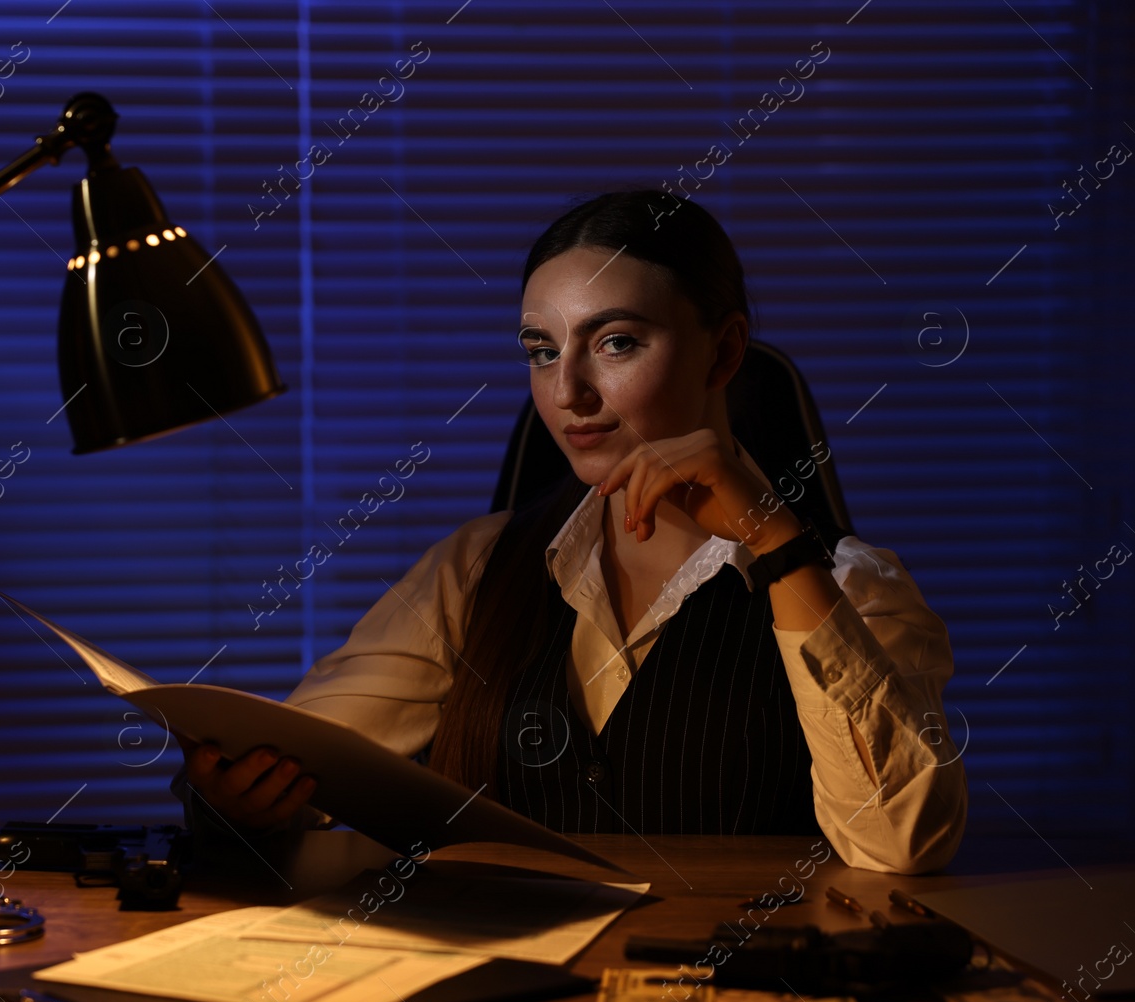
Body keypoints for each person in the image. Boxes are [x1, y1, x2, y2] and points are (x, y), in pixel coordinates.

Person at [176, 189, 967, 875]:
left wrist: (777, 543)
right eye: (542, 351)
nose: (567, 393)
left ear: (723, 352)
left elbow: (901, 844)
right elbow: (300, 765)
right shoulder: (475, 565)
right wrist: (240, 794)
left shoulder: (852, 583)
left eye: (616, 342)